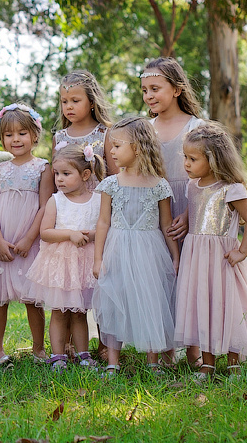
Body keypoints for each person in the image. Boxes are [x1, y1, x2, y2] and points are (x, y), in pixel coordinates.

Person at [174, 121, 247, 381]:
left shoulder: (231, 188)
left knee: (226, 306)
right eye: (185, 157)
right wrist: (184, 218)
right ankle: (207, 364)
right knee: (203, 306)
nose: (186, 163)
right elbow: (194, 211)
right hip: (196, 257)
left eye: (192, 158)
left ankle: (234, 363)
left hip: (222, 259)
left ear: (213, 159)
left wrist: (243, 251)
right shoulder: (192, 187)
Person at [92, 117, 179, 377]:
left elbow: (166, 224)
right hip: (117, 249)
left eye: (118, 146)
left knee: (150, 300)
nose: (112, 152)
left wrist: (174, 256)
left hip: (149, 251)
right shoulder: (111, 183)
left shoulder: (158, 185)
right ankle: (113, 361)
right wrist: (98, 258)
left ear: (138, 147)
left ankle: (153, 361)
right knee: (116, 300)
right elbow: (103, 223)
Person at [0, 103, 54, 367]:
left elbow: (45, 206)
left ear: (34, 135)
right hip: (4, 238)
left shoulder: (43, 168)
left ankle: (39, 348)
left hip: (29, 240)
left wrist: (29, 239)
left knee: (33, 298)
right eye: (9, 134)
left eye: (22, 133)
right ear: (2, 139)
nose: (16, 139)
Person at [140, 56, 204, 367]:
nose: (149, 96)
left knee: (189, 276)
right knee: (162, 275)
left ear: (177, 89)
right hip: (156, 211)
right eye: (144, 90)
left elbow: (213, 176)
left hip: (192, 208)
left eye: (155, 88)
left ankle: (193, 349)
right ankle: (163, 350)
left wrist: (191, 213)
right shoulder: (144, 130)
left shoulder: (197, 128)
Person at [53, 69, 118, 361]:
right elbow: (52, 175)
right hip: (69, 216)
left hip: (98, 214)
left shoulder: (106, 134)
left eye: (75, 100)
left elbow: (116, 176)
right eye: (64, 100)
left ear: (91, 101)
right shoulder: (59, 136)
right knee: (70, 283)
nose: (68, 106)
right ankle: (66, 344)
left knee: (100, 281)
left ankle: (106, 342)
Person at [24, 144, 104, 372]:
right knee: (59, 312)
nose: (59, 179)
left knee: (80, 313)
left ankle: (83, 354)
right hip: (61, 263)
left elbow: (103, 229)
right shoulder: (56, 201)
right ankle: (58, 355)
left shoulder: (97, 200)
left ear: (85, 175)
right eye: (57, 174)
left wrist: (90, 235)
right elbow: (45, 233)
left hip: (84, 264)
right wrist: (70, 234)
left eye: (66, 174)